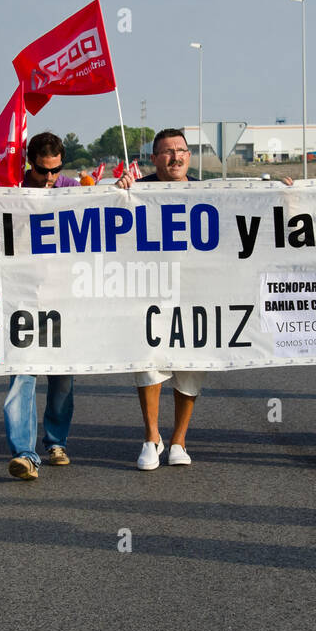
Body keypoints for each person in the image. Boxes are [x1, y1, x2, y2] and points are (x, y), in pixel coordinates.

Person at [116, 128, 203, 470]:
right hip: (149, 291)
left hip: (197, 294)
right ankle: (152, 437)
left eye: (181, 151)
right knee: (149, 365)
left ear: (189, 156)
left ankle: (179, 441)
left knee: (190, 369)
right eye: (167, 152)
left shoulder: (211, 192)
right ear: (154, 158)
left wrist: (286, 193)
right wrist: (117, 192)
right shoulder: (139, 191)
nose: (175, 157)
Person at [4, 132, 79, 480]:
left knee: (62, 378)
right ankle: (24, 453)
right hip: (21, 298)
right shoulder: (10, 192)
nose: (49, 177)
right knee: (23, 374)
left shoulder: (73, 189)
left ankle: (56, 441)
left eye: (55, 169)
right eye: (40, 170)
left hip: (64, 297)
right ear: (28, 162)